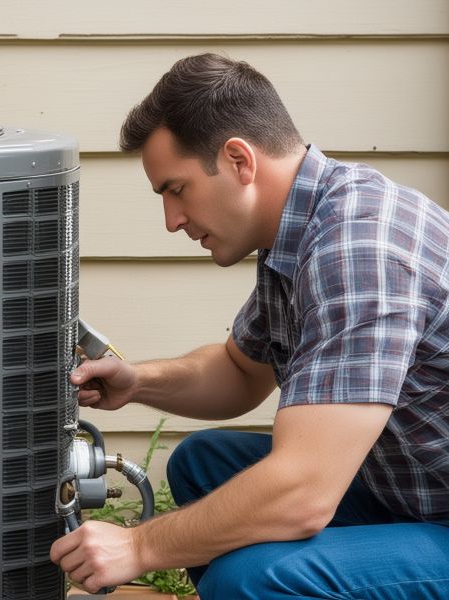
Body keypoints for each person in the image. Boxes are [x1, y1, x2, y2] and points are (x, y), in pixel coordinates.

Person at [49, 53, 449, 599]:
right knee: (203, 463)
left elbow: (304, 492)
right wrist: (138, 381)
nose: (172, 221)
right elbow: (241, 371)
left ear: (239, 160)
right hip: (408, 491)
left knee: (251, 580)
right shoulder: (300, 229)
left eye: (177, 189)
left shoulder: (358, 249)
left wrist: (138, 546)